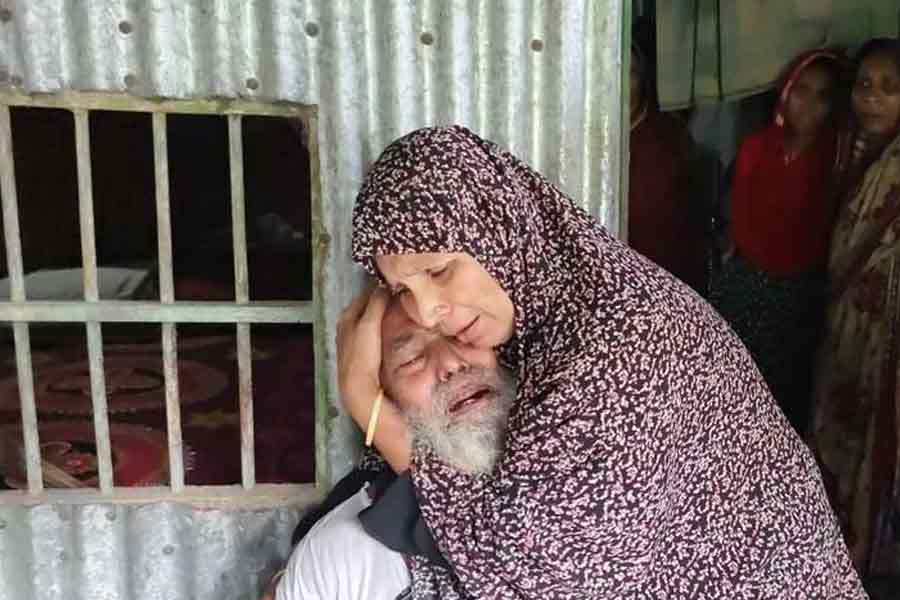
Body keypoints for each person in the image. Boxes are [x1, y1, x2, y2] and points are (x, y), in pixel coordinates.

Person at [339, 125, 865, 598]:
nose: (427, 310)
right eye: (402, 289)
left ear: (500, 229)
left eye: (440, 271)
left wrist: (369, 405)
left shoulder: (615, 351)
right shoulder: (556, 307)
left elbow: (538, 576)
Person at [261, 299, 516, 600]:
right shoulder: (345, 555)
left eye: (461, 334)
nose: (451, 363)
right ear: (387, 403)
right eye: (412, 359)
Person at [709, 49, 846, 434]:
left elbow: (826, 229)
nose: (810, 104)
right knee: (735, 379)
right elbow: (741, 209)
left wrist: (794, 273)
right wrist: (752, 259)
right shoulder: (757, 146)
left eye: (823, 95)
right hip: (749, 278)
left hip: (801, 288)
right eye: (802, 90)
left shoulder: (836, 159)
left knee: (785, 393)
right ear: (786, 91)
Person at [809, 38, 900, 585]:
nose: (873, 98)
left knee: (872, 442)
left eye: (889, 88)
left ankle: (862, 561)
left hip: (885, 336)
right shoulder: (848, 148)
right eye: (865, 85)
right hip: (845, 323)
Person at [628, 27, 706, 293]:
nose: (622, 85)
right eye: (614, 73)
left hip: (664, 280)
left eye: (632, 73)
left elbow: (692, 218)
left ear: (643, 81)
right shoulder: (587, 138)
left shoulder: (670, 136)